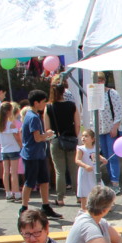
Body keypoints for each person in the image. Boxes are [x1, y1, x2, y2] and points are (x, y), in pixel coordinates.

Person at [20, 89, 60, 218]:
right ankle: (24, 208)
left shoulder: (32, 115)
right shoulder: (33, 117)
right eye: (43, 102)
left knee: (44, 180)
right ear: (36, 103)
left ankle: (45, 205)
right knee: (30, 182)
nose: (45, 104)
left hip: (38, 154)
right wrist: (47, 135)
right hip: (32, 154)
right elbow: (37, 137)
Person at [45, 77, 80, 206]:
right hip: (71, 139)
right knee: (74, 170)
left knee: (59, 171)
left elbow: (47, 129)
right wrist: (74, 136)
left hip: (56, 140)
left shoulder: (49, 107)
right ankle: (79, 196)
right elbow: (77, 124)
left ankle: (60, 198)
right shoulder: (72, 106)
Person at [93, 72, 122, 190]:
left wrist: (115, 127)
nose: (99, 83)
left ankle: (115, 183)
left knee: (113, 156)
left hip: (111, 128)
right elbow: (93, 113)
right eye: (97, 81)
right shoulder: (94, 95)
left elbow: (118, 111)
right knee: (105, 156)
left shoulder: (112, 93)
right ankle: (110, 181)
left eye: (101, 80)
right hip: (100, 130)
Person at [74, 128, 107, 211]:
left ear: (92, 139)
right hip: (85, 173)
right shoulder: (81, 149)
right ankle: (83, 209)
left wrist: (103, 159)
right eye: (82, 136)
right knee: (84, 191)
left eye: (86, 136)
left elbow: (96, 156)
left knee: (99, 189)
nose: (83, 138)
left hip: (94, 172)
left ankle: (100, 206)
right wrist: (85, 166)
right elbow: (77, 160)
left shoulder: (95, 148)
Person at [0, 100, 22, 201]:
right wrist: (21, 146)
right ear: (8, 112)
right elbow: (17, 137)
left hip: (4, 149)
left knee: (6, 172)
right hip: (13, 149)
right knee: (14, 172)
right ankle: (16, 192)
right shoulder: (11, 124)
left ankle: (7, 192)